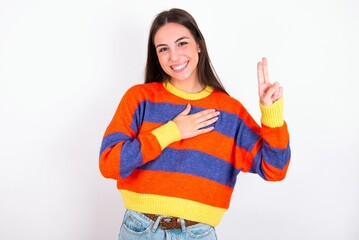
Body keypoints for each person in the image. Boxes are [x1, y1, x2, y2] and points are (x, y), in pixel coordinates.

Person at [99, 8, 291, 240]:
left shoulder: (230, 112)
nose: (174, 56)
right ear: (156, 55)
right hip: (140, 230)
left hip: (197, 234)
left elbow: (275, 170)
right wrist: (171, 131)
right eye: (163, 49)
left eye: (182, 43)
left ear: (199, 44)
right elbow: (109, 164)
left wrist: (271, 114)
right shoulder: (140, 98)